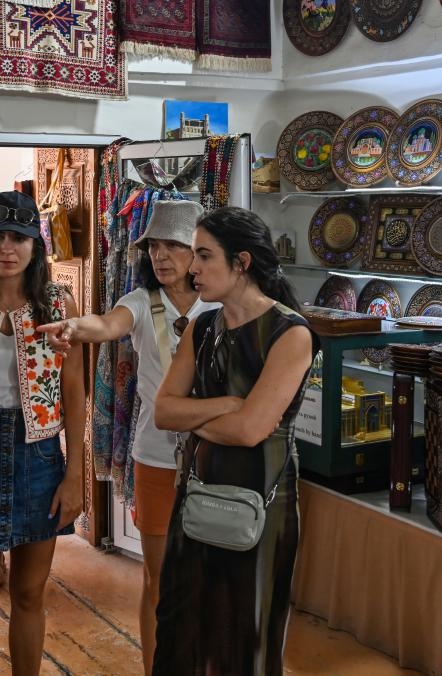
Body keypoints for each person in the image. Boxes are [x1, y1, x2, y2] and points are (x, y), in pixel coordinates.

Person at [37, 199, 217, 675]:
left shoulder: (219, 302)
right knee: (157, 576)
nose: (161, 256)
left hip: (215, 454)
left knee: (209, 573)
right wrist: (75, 327)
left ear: (198, 250)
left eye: (174, 246)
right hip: (156, 455)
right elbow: (107, 325)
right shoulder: (140, 302)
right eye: (154, 246)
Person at [152, 206, 318, 675]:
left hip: (262, 504)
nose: (191, 268)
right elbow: (164, 411)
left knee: (246, 638)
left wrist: (202, 415)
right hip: (197, 494)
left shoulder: (291, 333)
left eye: (203, 256)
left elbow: (250, 431)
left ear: (241, 262)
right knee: (179, 630)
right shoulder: (203, 328)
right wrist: (226, 406)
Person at [0, 190, 86, 676]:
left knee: (31, 593)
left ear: (36, 247)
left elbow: (74, 391)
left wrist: (76, 474)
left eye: (20, 238)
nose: (7, 248)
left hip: (41, 456)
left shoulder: (56, 302)